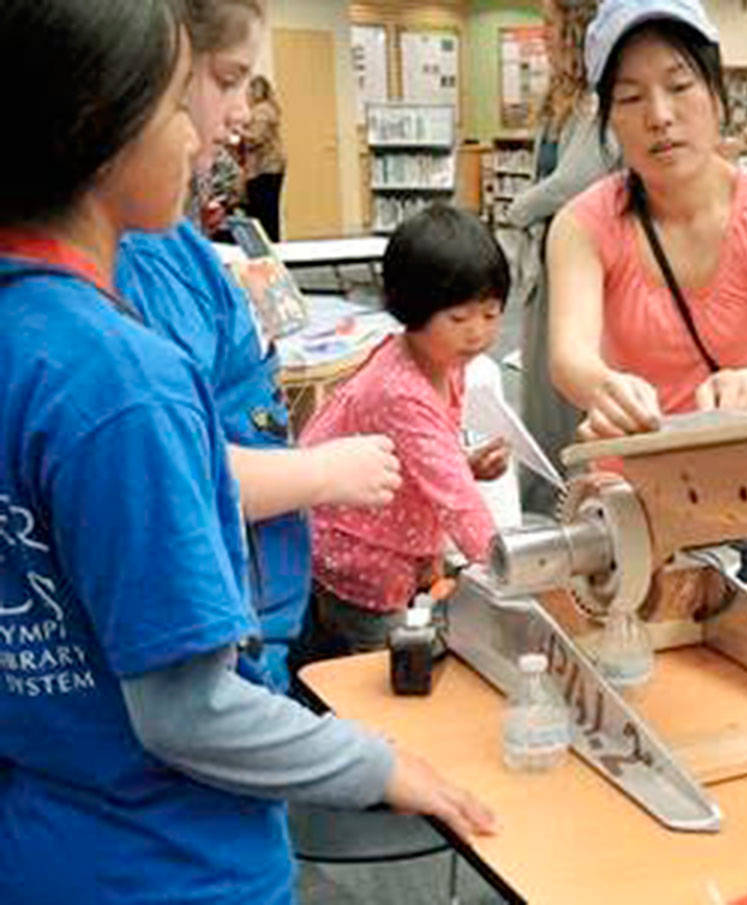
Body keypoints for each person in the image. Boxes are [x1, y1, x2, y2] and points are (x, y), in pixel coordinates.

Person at [0, 3, 494, 904]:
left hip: (46, 835)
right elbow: (187, 712)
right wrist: (377, 764)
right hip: (175, 862)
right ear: (97, 127)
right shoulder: (121, 381)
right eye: (179, 105)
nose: (201, 134)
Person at [115, 0, 401, 694]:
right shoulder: (121, 284)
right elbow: (175, 469)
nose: (242, 112)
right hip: (209, 637)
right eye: (227, 79)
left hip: (258, 613)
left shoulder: (180, 252)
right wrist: (326, 473)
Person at [546, 0, 747, 580]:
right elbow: (568, 357)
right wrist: (606, 386)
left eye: (679, 86)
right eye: (630, 98)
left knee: (744, 653)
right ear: (608, 119)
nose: (659, 115)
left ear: (718, 98)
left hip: (745, 493)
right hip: (627, 497)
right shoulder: (581, 224)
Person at [301, 204, 511, 655]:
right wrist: (510, 572)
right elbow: (458, 502)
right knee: (385, 665)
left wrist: (465, 465)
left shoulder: (443, 358)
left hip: (394, 537)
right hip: (360, 554)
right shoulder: (400, 389)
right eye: (459, 319)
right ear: (413, 309)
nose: (477, 333)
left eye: (491, 315)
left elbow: (423, 457)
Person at [507, 0, 617, 515]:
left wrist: (520, 207)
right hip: (545, 258)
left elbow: (579, 180)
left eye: (551, 25)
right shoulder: (562, 102)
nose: (543, 36)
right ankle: (542, 509)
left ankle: (568, 511)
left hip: (573, 261)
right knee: (538, 392)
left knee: (562, 394)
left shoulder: (597, 102)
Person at [243, 74, 287, 240]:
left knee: (265, 212)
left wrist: (238, 134)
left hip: (265, 167)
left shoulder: (262, 111)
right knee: (269, 211)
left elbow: (256, 138)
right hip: (270, 167)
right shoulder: (268, 108)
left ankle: (270, 246)